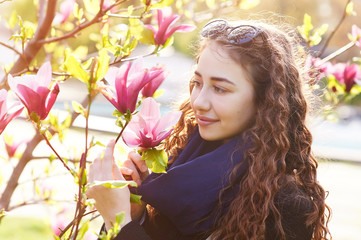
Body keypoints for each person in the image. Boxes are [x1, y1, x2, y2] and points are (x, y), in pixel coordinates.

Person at [86, 18, 331, 240]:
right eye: (197, 83)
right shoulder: (179, 164)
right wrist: (136, 216)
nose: (199, 102)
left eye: (220, 88)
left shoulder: (283, 206)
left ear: (264, 101)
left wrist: (120, 224)